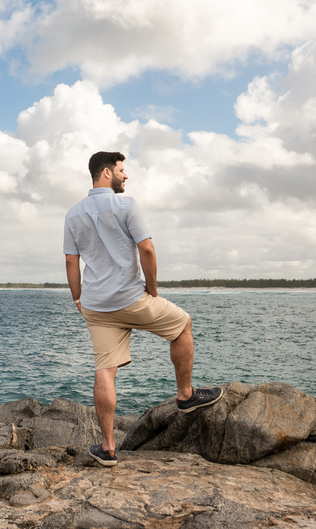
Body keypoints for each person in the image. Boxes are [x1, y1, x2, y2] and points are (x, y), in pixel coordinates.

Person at [64, 151, 223, 466]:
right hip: (130, 297)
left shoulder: (73, 214)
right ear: (107, 172)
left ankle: (108, 448)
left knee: (104, 370)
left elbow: (71, 261)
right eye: (122, 170)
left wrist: (77, 299)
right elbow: (147, 248)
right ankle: (186, 395)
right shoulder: (126, 205)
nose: (126, 176)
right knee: (182, 324)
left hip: (96, 305)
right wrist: (152, 287)